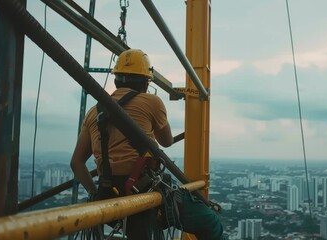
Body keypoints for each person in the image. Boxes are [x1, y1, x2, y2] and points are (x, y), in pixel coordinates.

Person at [70, 49, 223, 239]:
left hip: (108, 194)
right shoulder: (152, 102)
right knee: (210, 223)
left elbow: (76, 162)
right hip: (146, 189)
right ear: (145, 82)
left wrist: (96, 195)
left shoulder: (94, 112)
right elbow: (166, 142)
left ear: (116, 80)